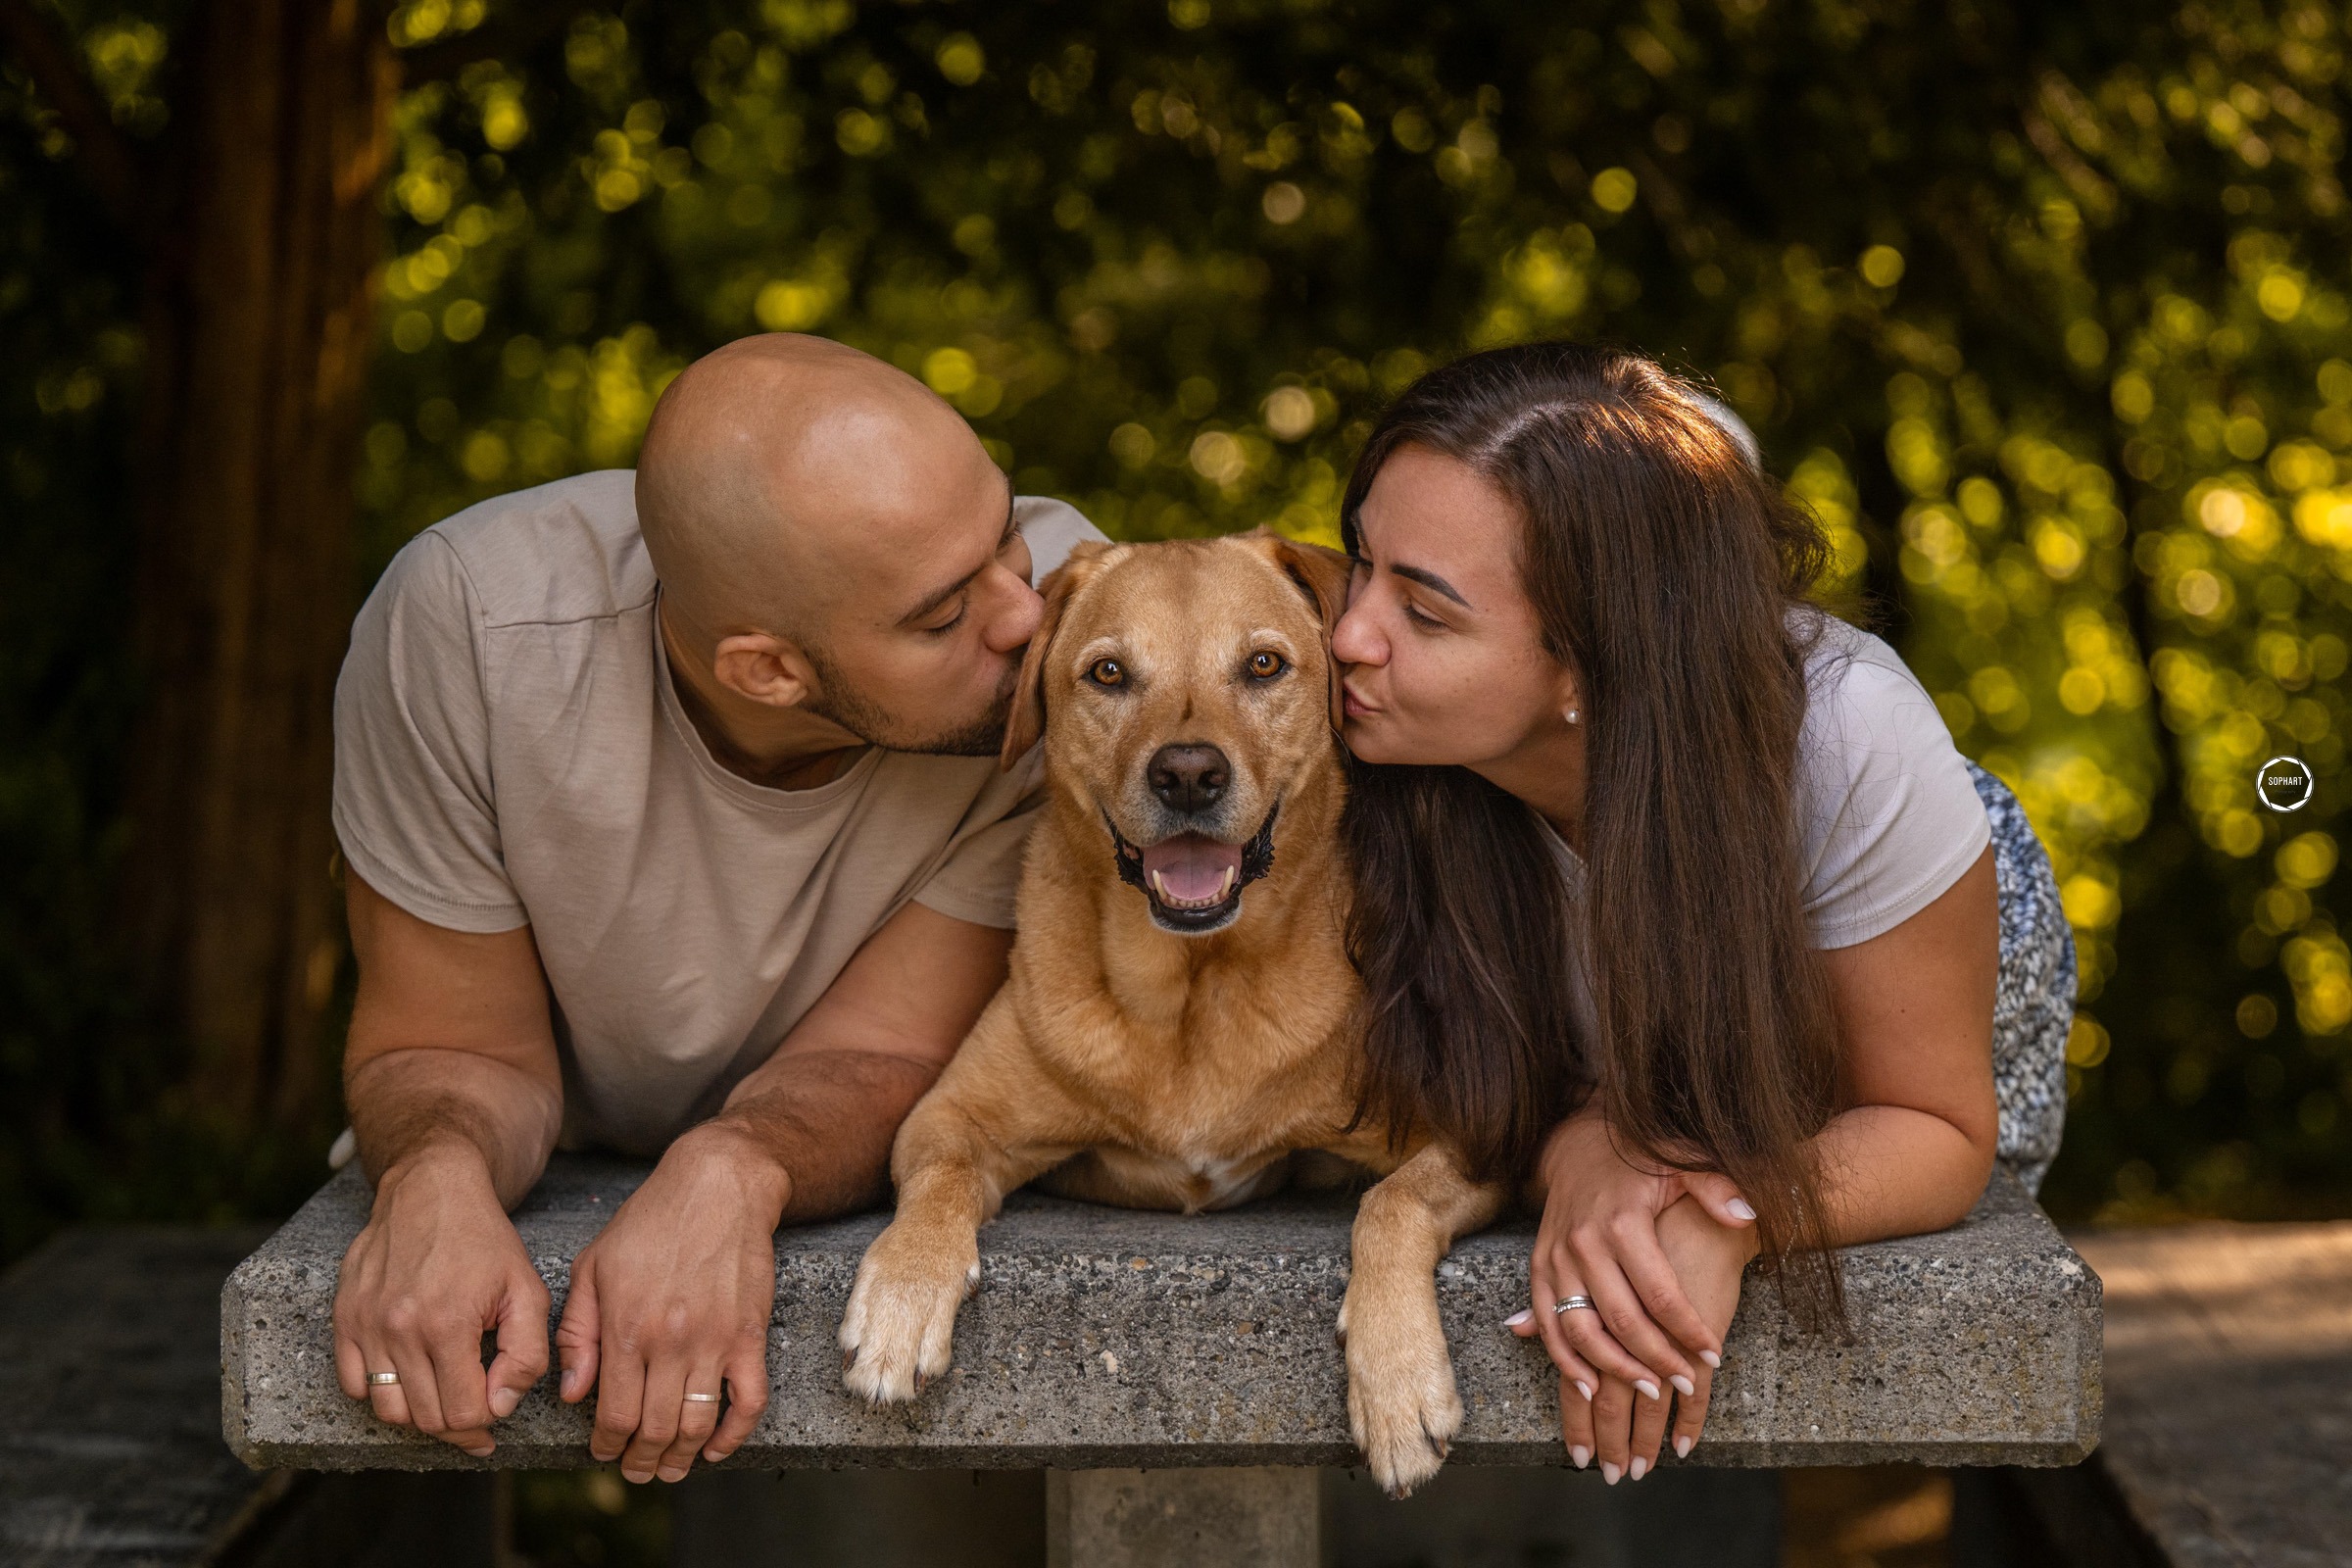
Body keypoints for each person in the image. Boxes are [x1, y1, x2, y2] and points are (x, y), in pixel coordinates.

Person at [326, 333, 1102, 1485]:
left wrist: (733, 1167)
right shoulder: (470, 631)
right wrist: (432, 1173)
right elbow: (453, 1044)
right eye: (943, 617)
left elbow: (894, 1051)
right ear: (769, 672)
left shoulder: (1078, 644)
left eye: (1003, 536)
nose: (1022, 616)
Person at [1329, 342, 2071, 1485]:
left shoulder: (1850, 737)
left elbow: (1939, 1129)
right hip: (1620, 1072)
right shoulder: (1354, 727)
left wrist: (1734, 1212)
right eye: (1360, 562)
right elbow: (1444, 1072)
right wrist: (1585, 1142)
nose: (1349, 635)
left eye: (1424, 612)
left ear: (1586, 660)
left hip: (1891, 994)